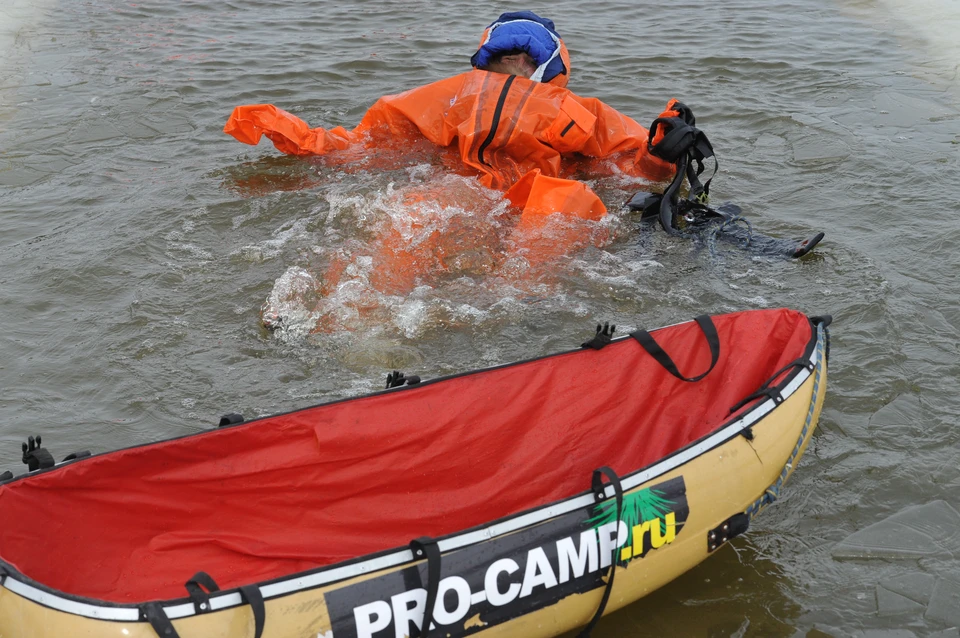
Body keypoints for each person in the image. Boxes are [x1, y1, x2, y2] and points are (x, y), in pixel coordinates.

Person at [224, 11, 689, 225]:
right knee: (567, 202)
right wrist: (666, 147)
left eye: (520, 62)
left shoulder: (440, 100)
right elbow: (636, 168)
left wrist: (289, 133)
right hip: (524, 207)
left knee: (408, 219)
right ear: (558, 69)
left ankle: (340, 326)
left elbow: (360, 150)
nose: (515, 72)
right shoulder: (583, 112)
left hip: (453, 198)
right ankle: (520, 322)